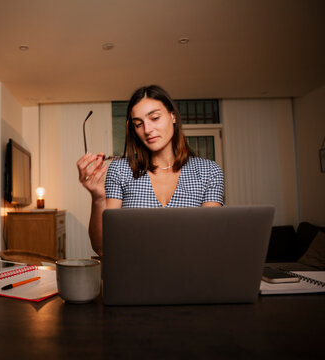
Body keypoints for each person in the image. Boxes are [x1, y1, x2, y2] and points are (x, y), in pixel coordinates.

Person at [77, 85, 224, 256]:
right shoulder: (120, 170)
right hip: (133, 276)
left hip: (190, 276)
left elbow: (208, 240)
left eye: (154, 118)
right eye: (138, 124)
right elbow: (102, 247)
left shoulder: (209, 171)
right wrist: (98, 198)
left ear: (173, 116)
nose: (147, 130)